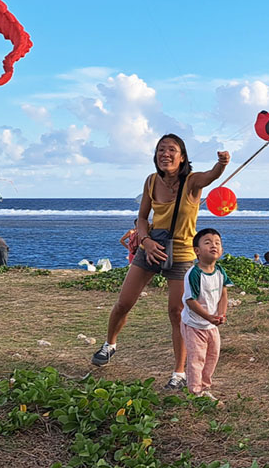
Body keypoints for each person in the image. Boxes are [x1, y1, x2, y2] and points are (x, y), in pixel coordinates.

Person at [90, 134, 231, 391]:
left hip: (182, 254)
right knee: (124, 302)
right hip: (152, 247)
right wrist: (145, 241)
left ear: (182, 156)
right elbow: (142, 218)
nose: (165, 154)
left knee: (177, 313)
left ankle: (179, 372)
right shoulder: (151, 181)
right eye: (160, 150)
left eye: (171, 150)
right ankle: (109, 345)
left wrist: (222, 163)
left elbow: (211, 176)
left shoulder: (192, 181)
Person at [180, 228, 232, 399]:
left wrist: (221, 314)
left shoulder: (220, 272)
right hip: (194, 324)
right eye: (207, 242)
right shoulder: (194, 274)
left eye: (217, 242)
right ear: (197, 251)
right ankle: (195, 392)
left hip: (211, 324)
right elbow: (190, 301)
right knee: (197, 357)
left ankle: (205, 386)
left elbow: (223, 294)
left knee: (213, 355)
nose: (214, 245)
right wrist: (208, 316)